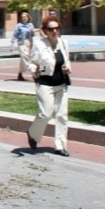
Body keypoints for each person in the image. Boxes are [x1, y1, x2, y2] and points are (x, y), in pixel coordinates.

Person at [26, 16, 71, 157]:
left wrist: (67, 68)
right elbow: (31, 63)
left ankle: (60, 146)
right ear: (45, 31)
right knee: (45, 113)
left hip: (61, 84)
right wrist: (35, 70)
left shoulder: (63, 43)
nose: (54, 31)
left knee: (62, 115)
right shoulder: (39, 45)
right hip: (45, 84)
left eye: (57, 28)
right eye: (51, 29)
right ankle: (32, 134)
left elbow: (67, 61)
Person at [10, 11, 35, 81]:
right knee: (25, 56)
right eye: (22, 17)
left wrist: (32, 32)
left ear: (28, 18)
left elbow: (33, 35)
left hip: (29, 42)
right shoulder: (18, 26)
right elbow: (15, 34)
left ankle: (20, 74)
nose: (23, 18)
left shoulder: (31, 25)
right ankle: (33, 71)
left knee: (23, 59)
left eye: (24, 17)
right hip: (21, 43)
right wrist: (12, 44)